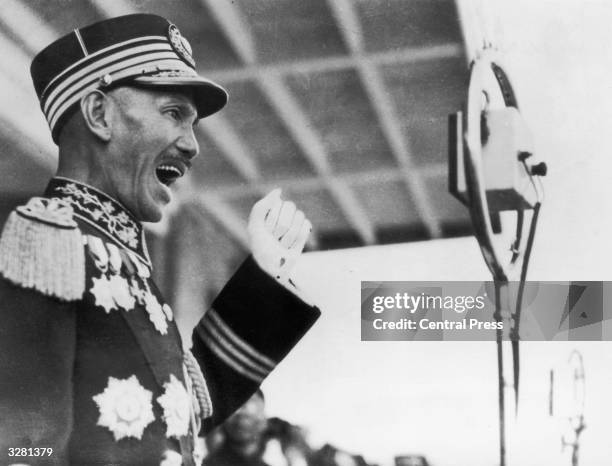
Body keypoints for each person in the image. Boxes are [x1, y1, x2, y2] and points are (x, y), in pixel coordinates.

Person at [0, 13, 320, 466]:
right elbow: (20, 446)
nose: (192, 145)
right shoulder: (49, 241)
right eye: (173, 113)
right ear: (99, 114)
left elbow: (185, 406)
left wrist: (263, 273)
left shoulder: (127, 257)